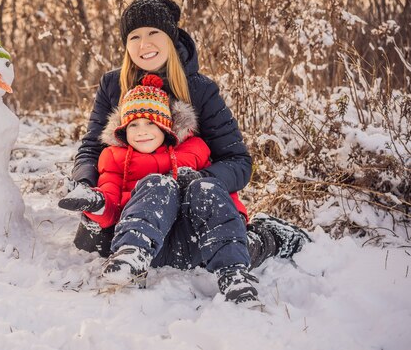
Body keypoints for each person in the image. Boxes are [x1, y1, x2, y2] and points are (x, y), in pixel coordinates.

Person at [63, 0, 310, 304]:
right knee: (137, 217)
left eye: (154, 33)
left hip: (193, 212)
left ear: (171, 36)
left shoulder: (200, 90)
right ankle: (132, 255)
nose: (144, 44)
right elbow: (92, 148)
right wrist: (86, 187)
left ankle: (268, 237)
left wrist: (199, 179)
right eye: (134, 36)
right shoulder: (113, 85)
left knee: (229, 244)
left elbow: (237, 160)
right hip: (131, 212)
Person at [59, 73, 260, 304]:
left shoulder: (194, 151)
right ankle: (131, 258)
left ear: (166, 127)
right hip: (149, 244)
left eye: (150, 123)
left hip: (192, 241)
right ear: (123, 129)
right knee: (157, 183)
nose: (141, 131)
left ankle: (233, 272)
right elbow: (110, 202)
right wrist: (94, 203)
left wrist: (236, 219)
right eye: (133, 124)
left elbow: (221, 196)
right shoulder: (113, 157)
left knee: (206, 186)